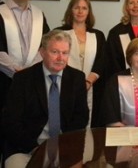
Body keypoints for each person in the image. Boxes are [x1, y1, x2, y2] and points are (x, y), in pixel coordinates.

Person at [2, 30, 89, 167]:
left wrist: (64, 147)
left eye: (65, 53)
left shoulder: (77, 78)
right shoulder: (23, 79)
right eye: (54, 52)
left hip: (63, 148)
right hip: (26, 149)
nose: (60, 58)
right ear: (42, 52)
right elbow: (12, 122)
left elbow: (81, 118)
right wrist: (37, 149)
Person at [0, 0, 50, 162]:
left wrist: (29, 73)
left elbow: (44, 46)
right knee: (6, 129)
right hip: (4, 81)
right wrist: (19, 72)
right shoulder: (0, 12)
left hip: (32, 83)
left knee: (28, 125)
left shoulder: (39, 14)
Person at [55, 0, 106, 127]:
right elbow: (54, 58)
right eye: (76, 7)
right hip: (64, 84)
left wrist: (88, 81)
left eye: (84, 8)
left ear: (88, 12)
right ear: (70, 10)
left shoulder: (98, 35)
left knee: (88, 123)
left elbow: (102, 61)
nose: (80, 11)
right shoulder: (59, 32)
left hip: (91, 86)